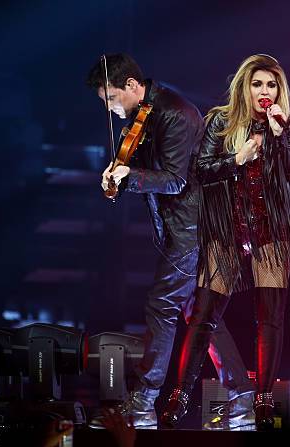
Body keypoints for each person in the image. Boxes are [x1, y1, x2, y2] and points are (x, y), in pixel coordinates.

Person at [86, 53, 254, 429]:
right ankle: (242, 399)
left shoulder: (175, 113)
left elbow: (175, 179)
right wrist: (117, 174)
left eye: (112, 99)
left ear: (132, 85)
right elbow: (142, 166)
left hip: (193, 229)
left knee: (162, 306)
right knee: (200, 315)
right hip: (182, 228)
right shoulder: (144, 115)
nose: (111, 110)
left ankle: (143, 403)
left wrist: (130, 176)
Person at [160, 54, 290, 431]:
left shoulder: (287, 127)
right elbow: (199, 170)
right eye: (258, 84)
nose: (265, 92)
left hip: (269, 230)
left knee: (270, 318)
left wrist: (279, 140)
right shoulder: (220, 120)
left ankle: (262, 398)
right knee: (203, 316)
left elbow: (289, 176)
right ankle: (180, 395)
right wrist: (237, 158)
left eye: (272, 85)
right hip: (227, 228)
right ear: (244, 87)